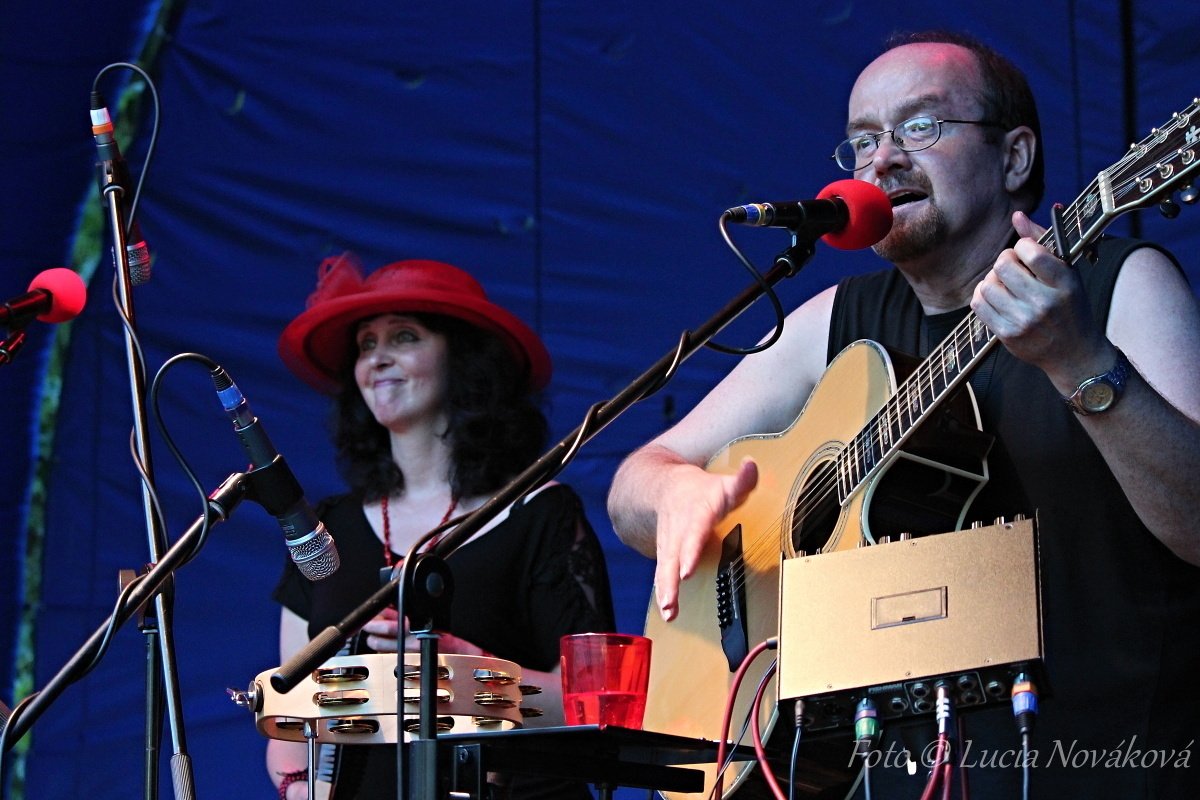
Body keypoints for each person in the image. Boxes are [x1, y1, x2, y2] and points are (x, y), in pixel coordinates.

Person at [607, 30, 1200, 799]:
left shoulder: (1118, 284)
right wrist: (675, 492)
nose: (882, 160)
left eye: (920, 126)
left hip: (1105, 763)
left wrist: (1077, 359)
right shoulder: (836, 319)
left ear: (1014, 157)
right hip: (884, 776)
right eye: (862, 140)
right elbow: (635, 483)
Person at [267, 253, 616, 800]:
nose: (377, 358)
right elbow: (290, 704)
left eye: (404, 336)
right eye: (366, 344)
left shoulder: (539, 513)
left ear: (465, 361)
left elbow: (597, 704)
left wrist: (467, 672)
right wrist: (297, 786)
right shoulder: (329, 527)